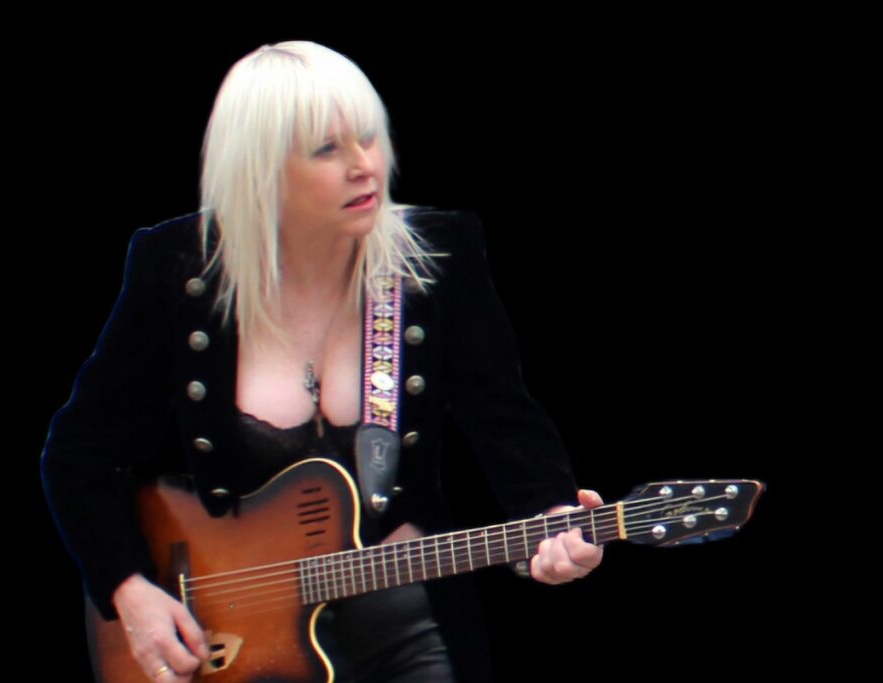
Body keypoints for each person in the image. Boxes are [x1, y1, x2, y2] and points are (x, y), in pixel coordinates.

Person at [41, 40, 604, 683]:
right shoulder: (177, 267)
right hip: (237, 639)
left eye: (368, 137)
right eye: (327, 149)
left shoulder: (435, 257)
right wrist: (128, 589)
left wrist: (552, 513)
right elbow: (81, 452)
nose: (366, 166)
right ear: (260, 170)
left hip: (408, 620)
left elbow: (505, 418)